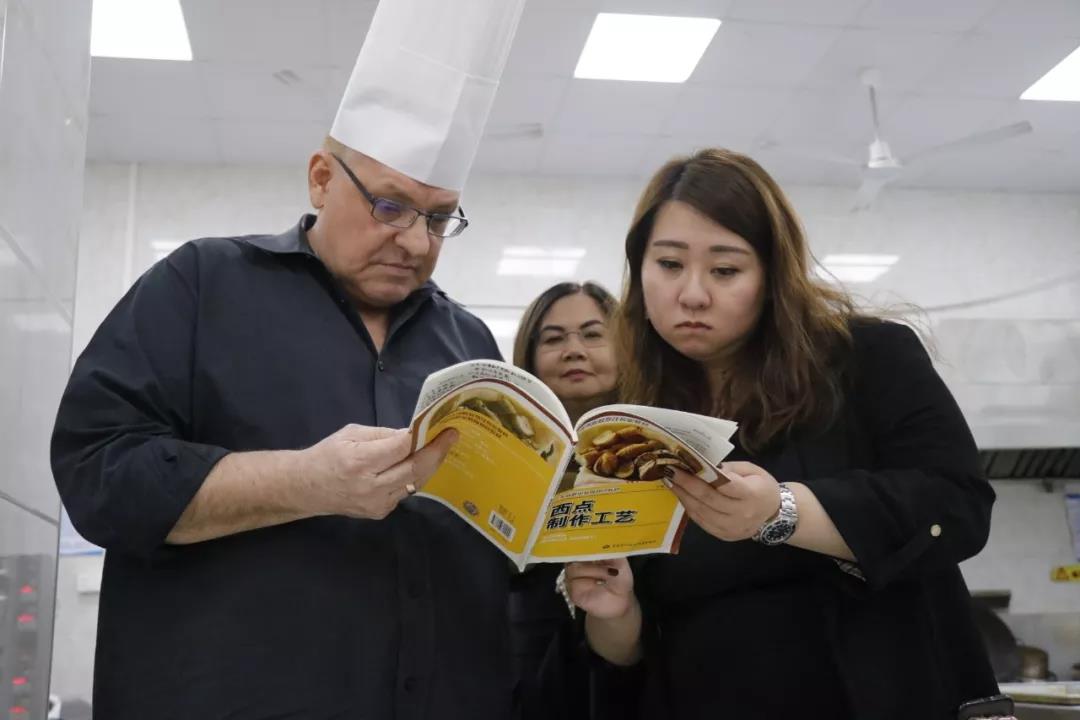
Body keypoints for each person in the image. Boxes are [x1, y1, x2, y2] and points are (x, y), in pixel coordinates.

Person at [49, 0, 527, 717]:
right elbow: (97, 474)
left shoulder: (469, 346)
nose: (416, 242)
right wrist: (306, 482)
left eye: (438, 218)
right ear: (321, 179)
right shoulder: (202, 286)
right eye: (390, 206)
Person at [564, 148, 1000, 720]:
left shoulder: (866, 358)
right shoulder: (631, 425)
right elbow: (633, 651)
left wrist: (780, 511)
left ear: (773, 276)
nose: (692, 294)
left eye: (725, 270)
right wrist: (615, 612)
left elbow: (957, 505)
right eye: (669, 264)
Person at [507, 281, 618, 717]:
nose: (574, 351)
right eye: (553, 339)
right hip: (530, 664)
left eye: (593, 334)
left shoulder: (658, 449)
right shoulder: (505, 452)